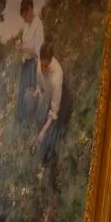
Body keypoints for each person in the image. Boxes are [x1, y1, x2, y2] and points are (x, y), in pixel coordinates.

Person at [31, 39, 65, 182]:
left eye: (46, 66)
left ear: (51, 61)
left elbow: (54, 110)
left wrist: (44, 131)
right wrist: (36, 93)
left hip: (59, 102)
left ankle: (51, 174)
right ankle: (39, 163)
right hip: (47, 97)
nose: (43, 69)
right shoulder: (39, 64)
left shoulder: (57, 77)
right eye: (42, 64)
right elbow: (39, 85)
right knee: (40, 124)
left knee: (52, 136)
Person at [15, 0, 44, 122]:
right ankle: (22, 125)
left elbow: (39, 51)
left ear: (30, 9)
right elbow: (25, 45)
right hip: (25, 65)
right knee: (22, 96)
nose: (25, 19)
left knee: (31, 97)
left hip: (33, 65)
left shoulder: (38, 25)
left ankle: (30, 123)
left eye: (25, 15)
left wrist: (24, 49)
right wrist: (20, 47)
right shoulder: (26, 26)